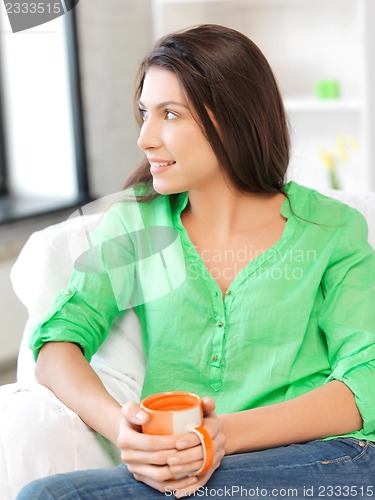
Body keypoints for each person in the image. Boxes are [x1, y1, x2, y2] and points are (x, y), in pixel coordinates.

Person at [17, 24, 375, 499]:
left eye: (170, 114)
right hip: (188, 474)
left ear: (233, 117)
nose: (145, 137)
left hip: (326, 462)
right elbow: (57, 343)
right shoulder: (136, 226)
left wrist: (222, 435)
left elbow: (366, 377)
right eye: (145, 113)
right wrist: (125, 434)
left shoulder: (333, 228)